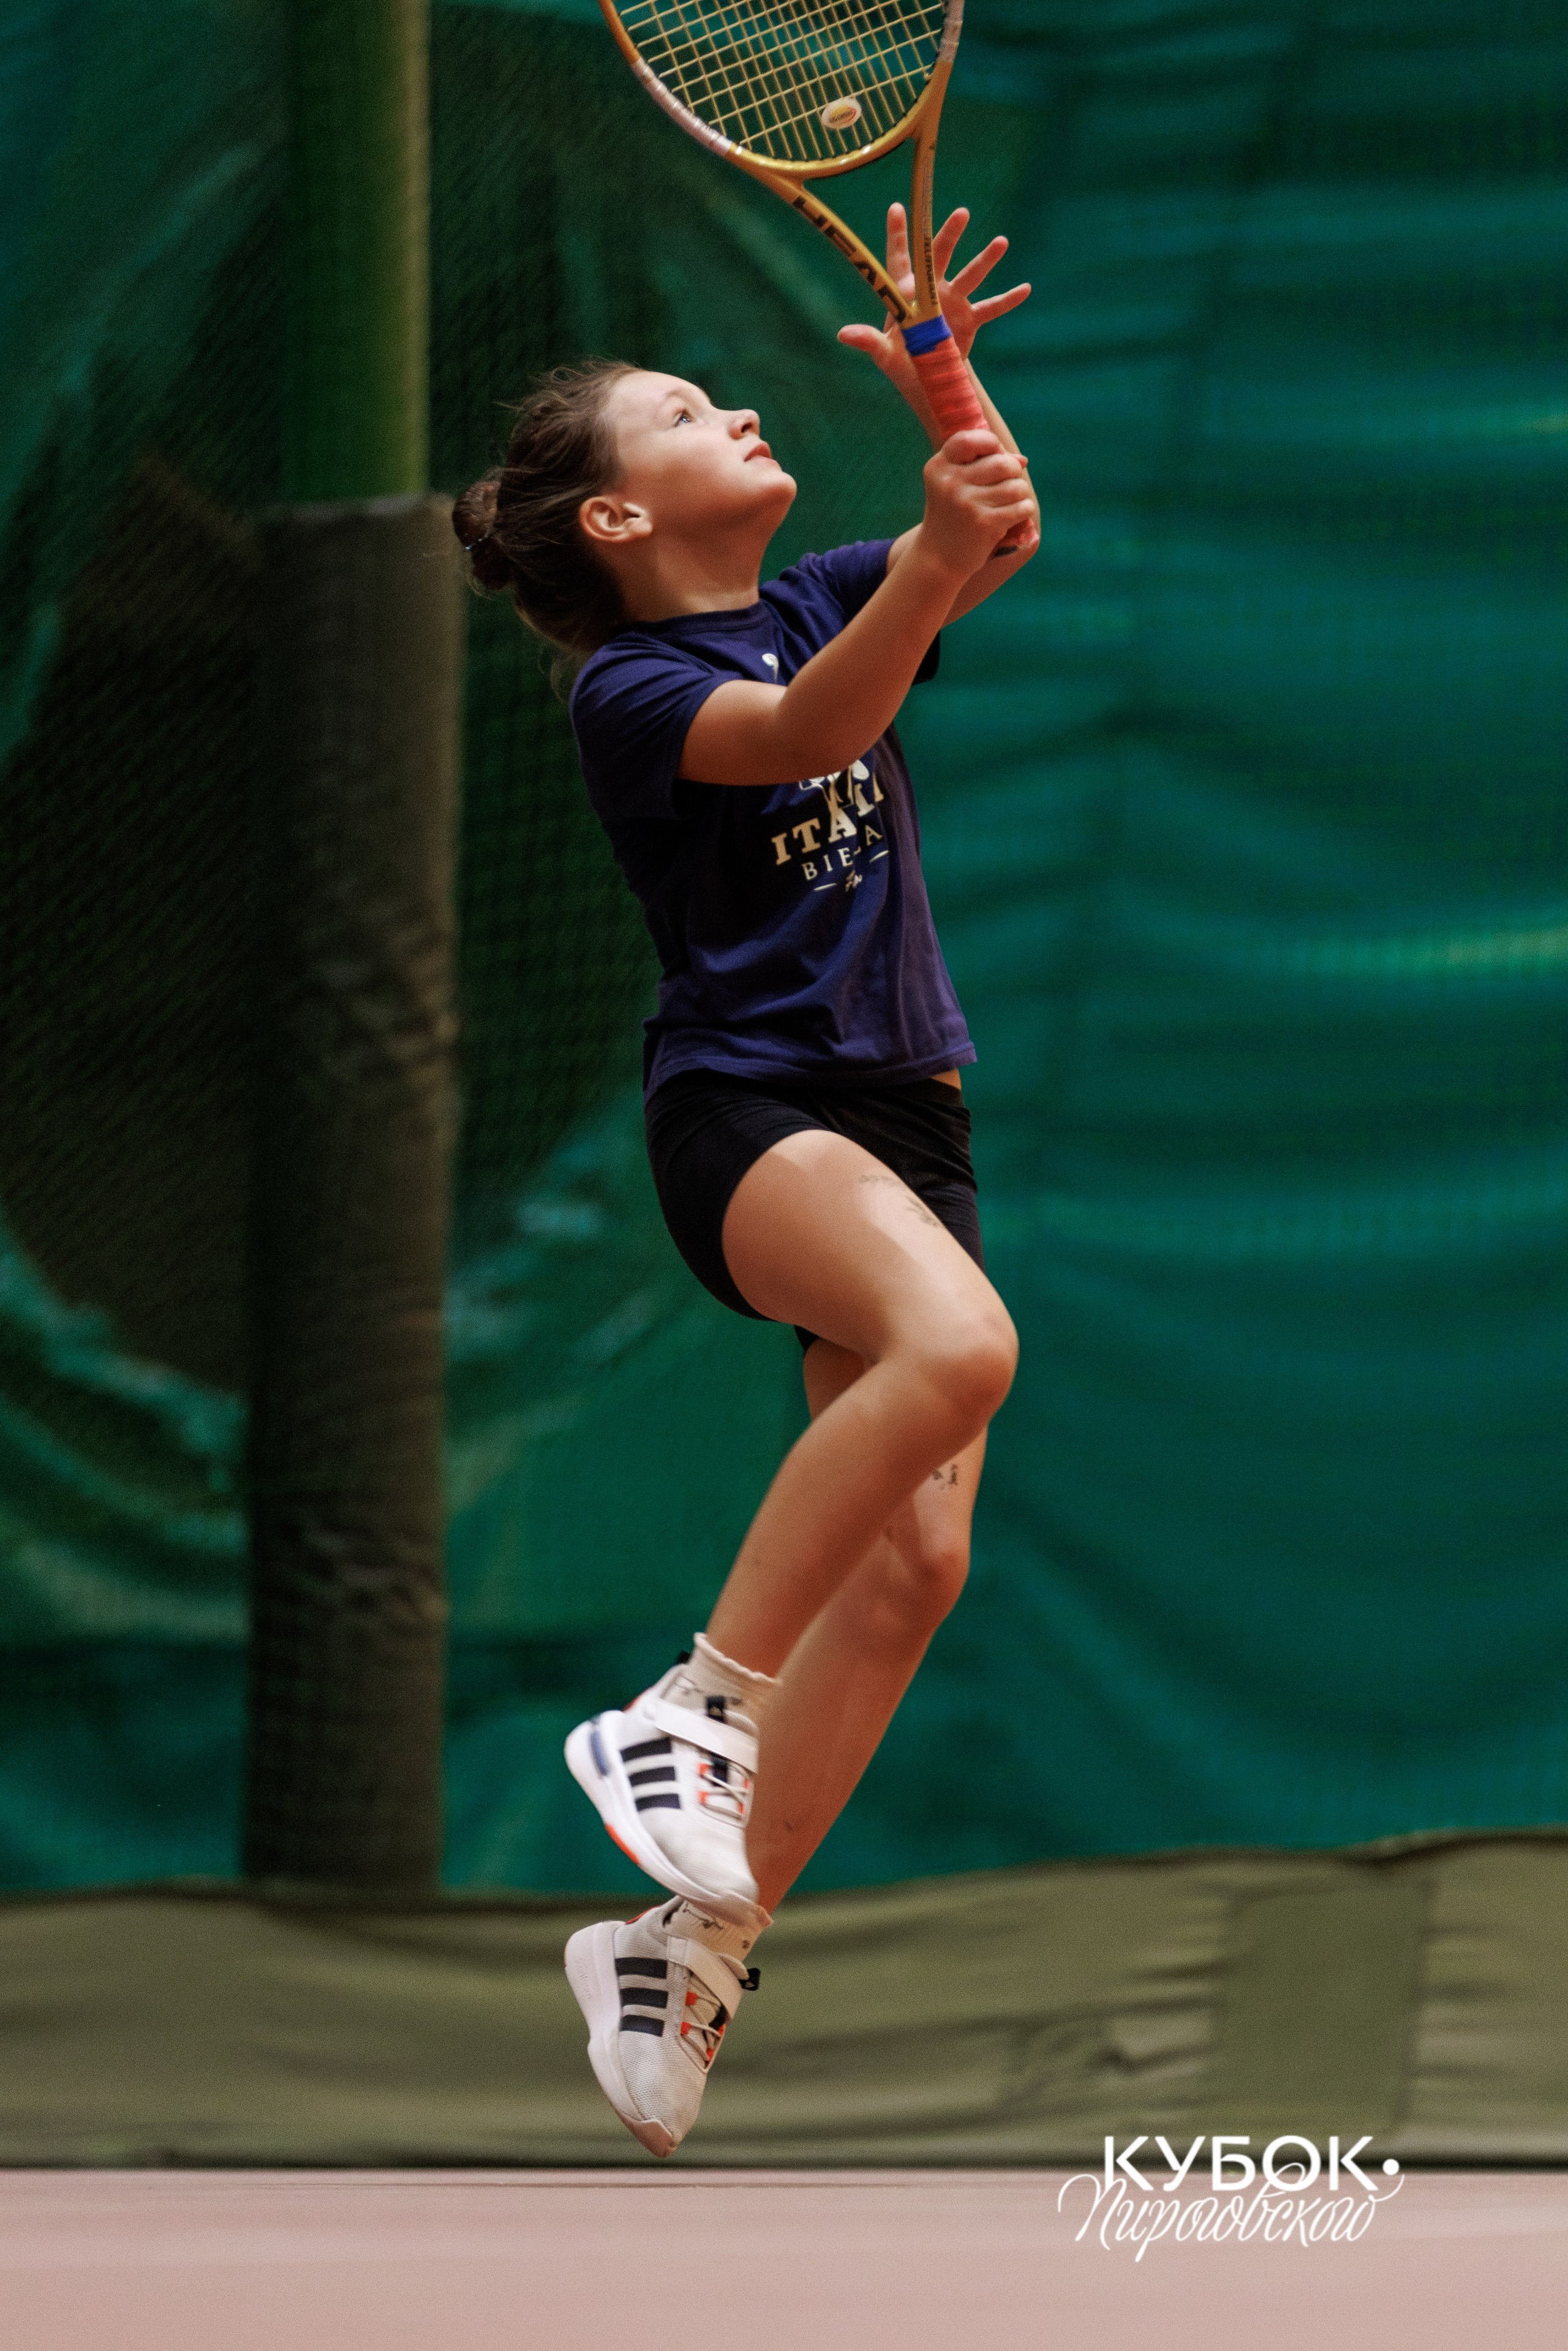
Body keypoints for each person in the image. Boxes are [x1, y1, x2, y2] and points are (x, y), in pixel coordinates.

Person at [452, 203, 1039, 2157]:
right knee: (957, 1347)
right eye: (691, 409)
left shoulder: (820, 594)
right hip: (754, 1111)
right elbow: (814, 729)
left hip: (909, 1113)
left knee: (924, 1561)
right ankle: (689, 1708)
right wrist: (931, 565)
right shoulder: (632, 693)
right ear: (618, 524)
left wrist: (948, 388)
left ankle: (689, 1956)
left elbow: (998, 539)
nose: (743, 407)